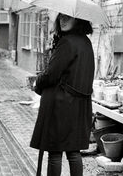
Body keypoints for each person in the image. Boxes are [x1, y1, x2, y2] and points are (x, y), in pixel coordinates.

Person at [30, 13, 95, 176]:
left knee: (55, 152)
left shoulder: (67, 42)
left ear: (78, 19)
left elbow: (51, 75)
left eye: (68, 17)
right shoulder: (86, 42)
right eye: (60, 17)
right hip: (79, 105)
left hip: (62, 105)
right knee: (74, 152)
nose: (63, 20)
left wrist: (37, 82)